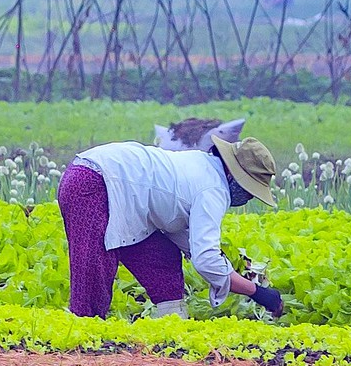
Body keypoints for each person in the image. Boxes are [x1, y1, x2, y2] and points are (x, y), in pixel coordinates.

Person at [57, 124, 286, 319]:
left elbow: (180, 229)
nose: (246, 197)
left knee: (161, 259)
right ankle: (81, 353)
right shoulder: (214, 189)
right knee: (93, 281)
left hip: (122, 198)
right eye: (248, 191)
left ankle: (170, 333)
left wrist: (229, 267)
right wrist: (257, 292)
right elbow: (205, 259)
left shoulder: (204, 166)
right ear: (234, 175)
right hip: (93, 182)